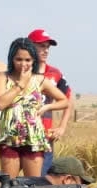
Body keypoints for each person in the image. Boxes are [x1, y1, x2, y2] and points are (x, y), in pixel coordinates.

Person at [0, 38, 68, 179]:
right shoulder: (2, 77)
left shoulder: (39, 80)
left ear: (33, 60)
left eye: (28, 60)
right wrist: (20, 84)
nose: (23, 64)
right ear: (11, 59)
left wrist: (47, 107)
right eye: (19, 59)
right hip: (10, 138)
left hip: (33, 140)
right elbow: (0, 104)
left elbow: (64, 101)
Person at [27, 28, 74, 176]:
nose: (45, 50)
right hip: (21, 135)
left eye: (47, 47)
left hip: (45, 136)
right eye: (41, 46)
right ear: (29, 46)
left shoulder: (55, 74)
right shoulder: (21, 71)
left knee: (40, 182)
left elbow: (69, 99)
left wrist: (62, 127)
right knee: (14, 183)